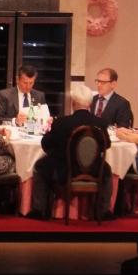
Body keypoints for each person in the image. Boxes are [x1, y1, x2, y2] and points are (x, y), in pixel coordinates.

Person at [27, 83, 113, 221]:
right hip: (94, 170)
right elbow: (106, 144)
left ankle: (39, 209)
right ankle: (103, 212)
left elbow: (46, 144)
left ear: (73, 103)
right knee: (107, 170)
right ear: (90, 104)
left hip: (64, 170)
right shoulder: (100, 123)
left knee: (39, 166)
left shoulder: (61, 123)